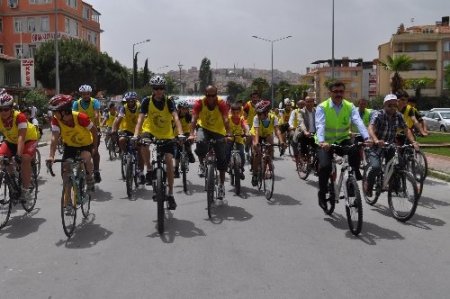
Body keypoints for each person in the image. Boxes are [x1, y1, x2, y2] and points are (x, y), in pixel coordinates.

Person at [315, 81, 370, 210]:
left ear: (344, 93)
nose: (338, 94)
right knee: (325, 167)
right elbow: (320, 125)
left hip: (342, 139)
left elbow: (358, 122)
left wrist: (367, 137)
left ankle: (352, 179)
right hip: (326, 142)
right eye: (336, 92)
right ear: (330, 93)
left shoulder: (349, 106)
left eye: (341, 92)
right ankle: (322, 194)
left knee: (355, 150)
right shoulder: (322, 107)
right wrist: (322, 141)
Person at [134, 75, 184, 210]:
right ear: (152, 89)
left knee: (168, 161)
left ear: (164, 89)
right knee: (143, 143)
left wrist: (180, 134)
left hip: (166, 134)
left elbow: (176, 118)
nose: (158, 91)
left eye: (161, 88)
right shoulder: (146, 101)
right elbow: (140, 120)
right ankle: (149, 168)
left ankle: (171, 194)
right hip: (149, 130)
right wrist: (135, 135)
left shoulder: (169, 102)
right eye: (156, 88)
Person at [365, 94, 419, 196]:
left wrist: (413, 142)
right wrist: (376, 140)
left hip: (390, 145)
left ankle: (393, 184)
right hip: (376, 145)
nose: (392, 107)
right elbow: (371, 128)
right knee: (376, 167)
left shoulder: (398, 115)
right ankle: (369, 185)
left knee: (399, 163)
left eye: (395, 105)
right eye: (390, 105)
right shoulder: (378, 114)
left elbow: (406, 129)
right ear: (384, 105)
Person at [189, 85, 230, 199]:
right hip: (204, 128)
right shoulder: (199, 103)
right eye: (208, 95)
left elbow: (226, 119)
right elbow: (194, 118)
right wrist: (192, 134)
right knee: (200, 143)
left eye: (213, 95)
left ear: (216, 94)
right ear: (205, 94)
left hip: (218, 131)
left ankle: (221, 185)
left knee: (222, 158)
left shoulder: (221, 103)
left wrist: (228, 133)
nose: (211, 98)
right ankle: (201, 164)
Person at [0, 93, 38, 203]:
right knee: (2, 158)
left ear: (11, 108)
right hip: (11, 140)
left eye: (6, 109)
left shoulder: (19, 117)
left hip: (28, 139)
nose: (3, 112)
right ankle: (11, 178)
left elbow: (21, 137)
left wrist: (18, 155)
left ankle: (25, 190)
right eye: (0, 109)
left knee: (25, 159)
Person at [250, 100, 285, 186]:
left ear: (266, 112)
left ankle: (268, 161)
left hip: (267, 135)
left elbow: (277, 130)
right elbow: (257, 131)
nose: (258, 115)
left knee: (270, 142)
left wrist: (281, 141)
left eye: (260, 113)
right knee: (257, 153)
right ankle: (254, 174)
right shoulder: (256, 118)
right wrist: (257, 143)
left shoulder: (273, 118)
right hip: (257, 134)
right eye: (257, 113)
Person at [72, 84, 102, 183]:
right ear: (81, 94)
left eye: (88, 94)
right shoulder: (76, 103)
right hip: (81, 130)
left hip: (93, 128)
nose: (86, 96)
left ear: (90, 94)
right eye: (84, 94)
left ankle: (96, 171)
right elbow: (73, 116)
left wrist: (95, 125)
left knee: (94, 151)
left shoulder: (95, 102)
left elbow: (96, 114)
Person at [226, 102, 249, 179]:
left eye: (237, 112)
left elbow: (245, 126)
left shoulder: (241, 119)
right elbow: (223, 127)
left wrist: (246, 132)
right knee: (227, 153)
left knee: (242, 154)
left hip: (239, 139)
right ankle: (228, 165)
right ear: (231, 111)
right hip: (229, 139)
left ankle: (241, 169)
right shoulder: (228, 118)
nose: (235, 114)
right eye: (233, 112)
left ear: (240, 112)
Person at [174, 100, 195, 178]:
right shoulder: (175, 116)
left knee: (188, 143)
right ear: (179, 109)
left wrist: (193, 135)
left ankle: (190, 154)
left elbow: (193, 124)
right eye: (183, 108)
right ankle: (176, 170)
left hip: (186, 133)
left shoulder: (189, 116)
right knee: (177, 152)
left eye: (186, 109)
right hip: (176, 134)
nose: (185, 110)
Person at [296, 96, 317, 161]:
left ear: (314, 102)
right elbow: (301, 122)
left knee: (319, 149)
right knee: (302, 139)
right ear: (305, 102)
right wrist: (305, 131)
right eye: (307, 102)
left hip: (315, 134)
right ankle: (302, 155)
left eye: (311, 101)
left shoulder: (317, 111)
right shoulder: (301, 112)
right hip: (305, 133)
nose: (309, 103)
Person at [243, 90, 261, 159]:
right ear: (251, 98)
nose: (255, 99)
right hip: (249, 125)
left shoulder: (261, 105)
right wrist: (246, 127)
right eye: (253, 97)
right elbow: (244, 118)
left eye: (256, 97)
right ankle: (246, 147)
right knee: (249, 135)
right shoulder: (247, 105)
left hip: (258, 125)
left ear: (259, 98)